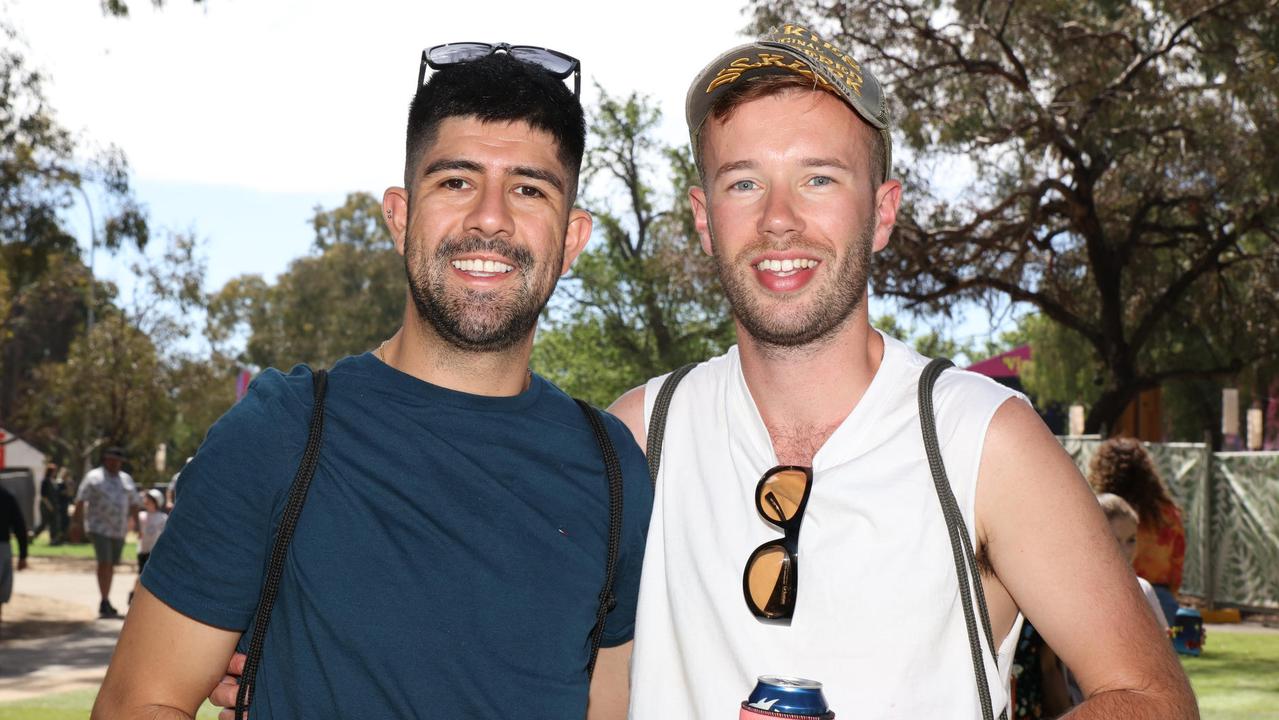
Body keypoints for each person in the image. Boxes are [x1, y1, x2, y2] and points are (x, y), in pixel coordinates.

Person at [604, 23, 1197, 718]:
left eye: (818, 178)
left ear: (882, 212)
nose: (778, 220)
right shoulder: (645, 435)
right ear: (704, 219)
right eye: (743, 183)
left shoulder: (982, 441)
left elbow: (1149, 697)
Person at [93, 45, 651, 720]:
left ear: (571, 240)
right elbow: (140, 703)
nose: (489, 218)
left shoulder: (611, 467)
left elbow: (607, 704)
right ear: (399, 215)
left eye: (529, 189)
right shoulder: (281, 431)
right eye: (455, 182)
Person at [1087, 437, 1186, 625]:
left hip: (1107, 594)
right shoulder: (1167, 513)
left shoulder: (1102, 511)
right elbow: (1177, 561)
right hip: (1162, 598)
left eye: (1131, 540)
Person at [75, 446, 140, 619]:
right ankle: (104, 599)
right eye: (112, 460)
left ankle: (106, 599)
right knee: (104, 562)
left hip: (119, 530)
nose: (115, 463)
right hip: (99, 528)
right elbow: (80, 500)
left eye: (118, 461)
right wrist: (76, 524)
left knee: (111, 564)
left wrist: (138, 524)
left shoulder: (125, 479)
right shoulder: (94, 477)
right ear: (105, 460)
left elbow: (134, 502)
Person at [129, 489, 168, 605]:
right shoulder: (141, 516)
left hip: (155, 552)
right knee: (141, 574)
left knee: (153, 575)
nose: (146, 501)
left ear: (157, 502)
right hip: (143, 550)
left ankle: (150, 598)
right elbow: (131, 526)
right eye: (146, 499)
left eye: (150, 500)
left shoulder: (162, 517)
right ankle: (134, 594)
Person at [1, 483, 30, 631]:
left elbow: (19, 525)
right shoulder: (6, 495)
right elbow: (19, 525)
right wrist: (23, 555)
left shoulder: (6, 496)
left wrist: (23, 555)